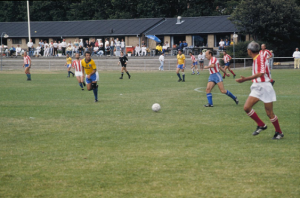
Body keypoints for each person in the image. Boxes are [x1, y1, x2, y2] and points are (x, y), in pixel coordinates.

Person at [236, 41, 283, 139]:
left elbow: (261, 73)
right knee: (246, 107)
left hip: (265, 86)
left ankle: (279, 132)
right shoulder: (256, 58)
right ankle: (261, 125)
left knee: (269, 113)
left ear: (249, 51)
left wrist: (245, 79)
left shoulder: (260, 57)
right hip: (257, 86)